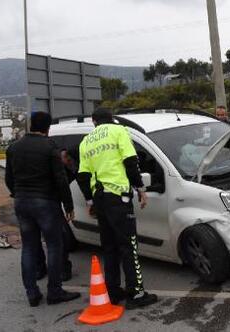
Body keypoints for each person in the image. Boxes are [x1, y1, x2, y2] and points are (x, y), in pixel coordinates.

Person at [77, 109, 158, 309]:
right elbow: (131, 161)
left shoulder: (86, 141)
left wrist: (89, 202)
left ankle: (113, 292)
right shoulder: (119, 131)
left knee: (110, 247)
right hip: (118, 198)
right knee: (129, 246)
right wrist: (140, 188)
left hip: (100, 199)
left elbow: (83, 176)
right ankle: (137, 294)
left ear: (94, 121)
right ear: (111, 119)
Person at [5, 111, 81, 307]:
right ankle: (54, 291)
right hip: (46, 203)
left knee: (29, 247)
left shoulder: (13, 147)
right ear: (47, 128)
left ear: (31, 125)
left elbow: (9, 179)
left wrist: (19, 194)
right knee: (54, 246)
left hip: (22, 202)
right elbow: (60, 179)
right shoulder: (49, 147)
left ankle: (32, 293)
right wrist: (68, 205)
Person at [36, 148, 80, 282]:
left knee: (34, 241)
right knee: (59, 239)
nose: (66, 161)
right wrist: (69, 207)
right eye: (64, 158)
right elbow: (62, 184)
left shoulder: (70, 167)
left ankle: (41, 270)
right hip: (49, 203)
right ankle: (60, 272)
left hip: (29, 202)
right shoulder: (54, 164)